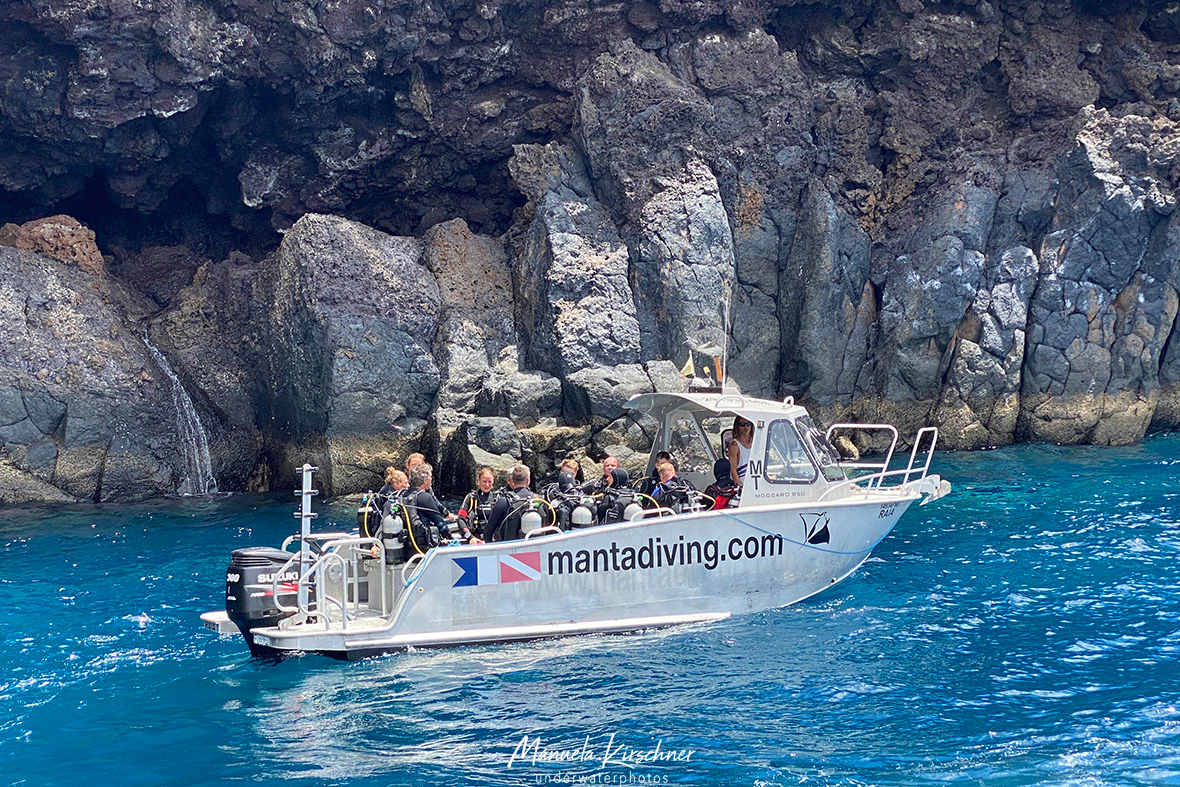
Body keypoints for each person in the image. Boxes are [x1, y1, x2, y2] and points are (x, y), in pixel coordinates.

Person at [407, 463, 482, 548]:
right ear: (425, 480)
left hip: (410, 544)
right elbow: (440, 523)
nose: (431, 479)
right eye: (431, 477)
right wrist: (450, 539)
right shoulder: (424, 497)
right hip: (424, 545)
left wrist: (446, 513)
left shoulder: (405, 494)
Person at [485, 464, 535, 542]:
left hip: (510, 550)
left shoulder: (503, 501)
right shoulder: (539, 500)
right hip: (536, 548)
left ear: (512, 481)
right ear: (528, 481)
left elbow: (488, 531)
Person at [457, 466, 498, 541]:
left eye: (490, 482)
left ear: (493, 482)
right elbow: (460, 519)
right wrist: (470, 537)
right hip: (475, 539)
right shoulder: (471, 498)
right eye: (484, 481)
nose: (487, 485)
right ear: (478, 481)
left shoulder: (497, 498)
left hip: (493, 540)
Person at [728, 417, 753, 487]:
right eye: (742, 424)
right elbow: (732, 470)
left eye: (748, 424)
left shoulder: (756, 442)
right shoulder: (734, 445)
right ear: (737, 427)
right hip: (744, 483)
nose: (746, 427)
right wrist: (740, 485)